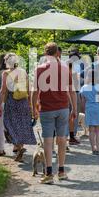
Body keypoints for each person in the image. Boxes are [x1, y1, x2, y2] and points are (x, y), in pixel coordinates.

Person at [32, 42, 77, 184]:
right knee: (62, 139)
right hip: (63, 107)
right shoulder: (65, 68)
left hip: (46, 108)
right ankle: (62, 171)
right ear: (57, 52)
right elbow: (71, 90)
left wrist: (33, 108)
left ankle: (49, 173)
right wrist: (75, 108)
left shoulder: (39, 69)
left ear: (45, 53)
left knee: (48, 140)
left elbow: (35, 91)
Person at [0, 53, 36, 162]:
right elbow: (28, 89)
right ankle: (20, 150)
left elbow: (3, 91)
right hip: (23, 102)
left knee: (9, 125)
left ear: (7, 62)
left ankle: (19, 147)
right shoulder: (23, 72)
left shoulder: (6, 73)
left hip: (11, 102)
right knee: (22, 125)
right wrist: (30, 104)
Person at [79, 70, 99, 155]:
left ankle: (92, 148)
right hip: (97, 108)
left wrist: (83, 110)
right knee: (98, 130)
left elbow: (83, 101)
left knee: (91, 130)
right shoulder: (98, 87)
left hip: (89, 108)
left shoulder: (84, 87)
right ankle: (97, 148)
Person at [67, 46, 83, 145]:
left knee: (66, 116)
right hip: (74, 92)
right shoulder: (76, 67)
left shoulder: (65, 65)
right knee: (74, 115)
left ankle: (66, 136)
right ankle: (72, 136)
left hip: (65, 93)